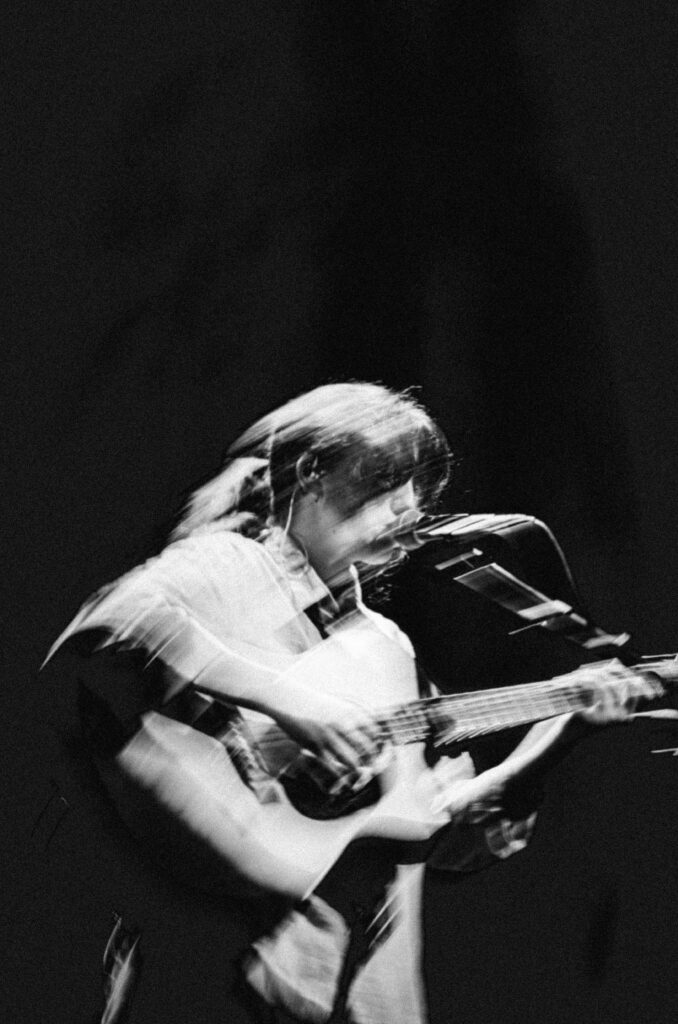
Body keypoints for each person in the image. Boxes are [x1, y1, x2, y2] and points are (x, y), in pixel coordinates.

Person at [43, 381, 640, 1024]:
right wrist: (286, 699)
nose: (411, 506)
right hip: (216, 980)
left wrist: (559, 736)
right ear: (313, 473)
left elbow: (423, 834)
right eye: (391, 481)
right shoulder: (231, 566)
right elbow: (108, 626)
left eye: (421, 489)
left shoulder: (384, 646)